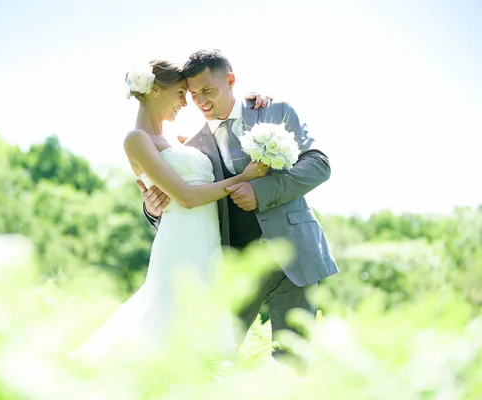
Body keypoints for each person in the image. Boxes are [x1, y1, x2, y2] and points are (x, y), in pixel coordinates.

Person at [141, 49, 339, 369]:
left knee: (292, 362)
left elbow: (319, 165)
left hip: (294, 252)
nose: (201, 101)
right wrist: (153, 209)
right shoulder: (191, 146)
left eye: (208, 91)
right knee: (216, 358)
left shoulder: (274, 111)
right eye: (193, 95)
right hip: (233, 265)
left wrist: (260, 192)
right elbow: (184, 197)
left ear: (230, 81)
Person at [69, 59, 270, 363]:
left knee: (203, 320)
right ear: (153, 90)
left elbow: (218, 134)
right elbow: (186, 197)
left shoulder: (176, 140)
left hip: (207, 242)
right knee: (168, 318)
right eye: (179, 94)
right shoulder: (137, 139)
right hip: (180, 243)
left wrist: (252, 104)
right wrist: (245, 178)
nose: (184, 103)